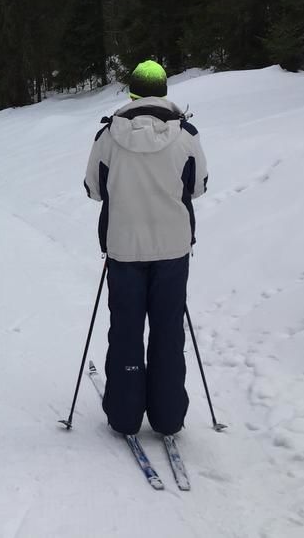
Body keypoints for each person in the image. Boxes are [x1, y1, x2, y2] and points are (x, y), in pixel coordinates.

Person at [83, 60, 208, 436]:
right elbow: (198, 187)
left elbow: (93, 190)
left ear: (132, 93)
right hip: (172, 250)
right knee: (168, 331)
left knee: (125, 329)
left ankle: (124, 415)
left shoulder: (107, 137)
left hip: (124, 250)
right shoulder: (186, 135)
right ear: (164, 92)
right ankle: (169, 418)